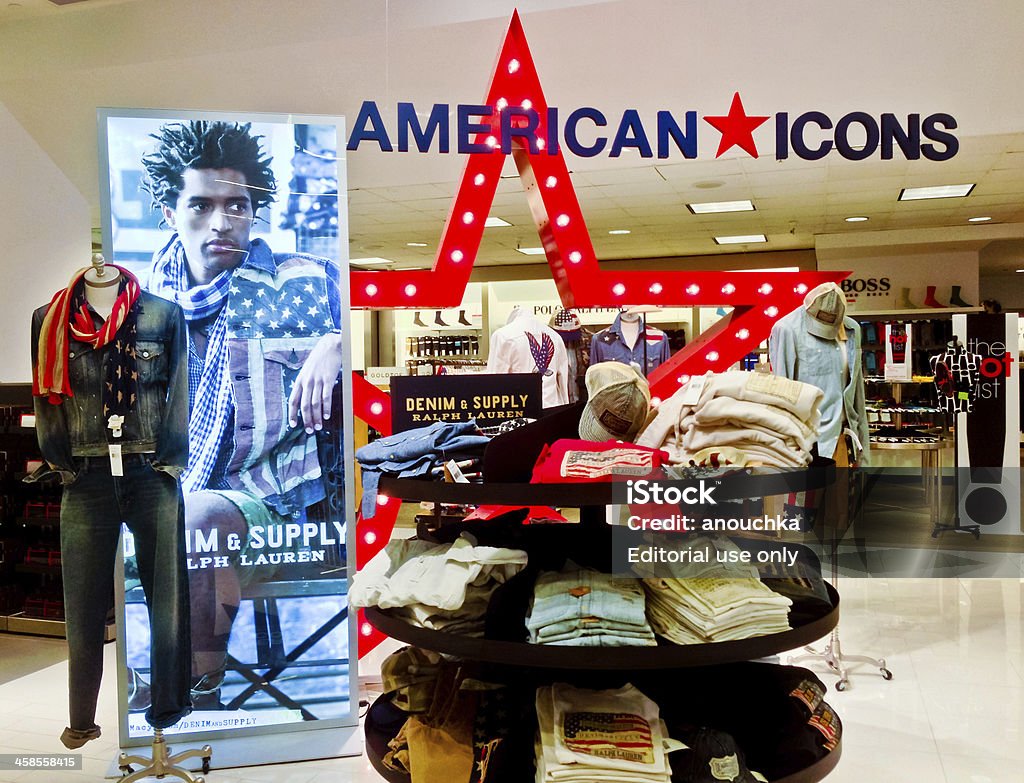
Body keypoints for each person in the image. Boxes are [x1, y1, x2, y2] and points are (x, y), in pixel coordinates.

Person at [140, 120, 344, 708]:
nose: (222, 221)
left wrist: (336, 345)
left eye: (238, 205)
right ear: (170, 211)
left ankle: (196, 690)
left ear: (255, 212)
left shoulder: (300, 282)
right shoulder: (145, 308)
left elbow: (354, 331)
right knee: (165, 512)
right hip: (164, 496)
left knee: (197, 514)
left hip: (271, 499)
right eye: (201, 204)